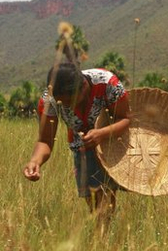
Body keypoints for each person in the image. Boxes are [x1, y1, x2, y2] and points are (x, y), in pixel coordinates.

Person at [23, 59, 131, 231]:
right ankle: (101, 242)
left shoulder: (107, 83)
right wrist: (35, 162)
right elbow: (45, 141)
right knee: (95, 203)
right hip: (83, 148)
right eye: (62, 103)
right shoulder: (49, 100)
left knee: (105, 203)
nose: (67, 106)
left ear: (84, 87)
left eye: (71, 101)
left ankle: (101, 242)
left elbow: (125, 119)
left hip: (112, 141)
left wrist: (101, 134)